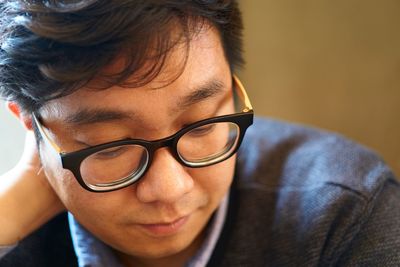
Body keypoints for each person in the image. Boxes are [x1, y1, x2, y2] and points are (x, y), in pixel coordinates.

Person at [0, 1, 399, 266]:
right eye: (109, 146)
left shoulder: (341, 212)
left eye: (201, 124)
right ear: (31, 124)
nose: (169, 189)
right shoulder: (16, 241)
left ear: (233, 89)